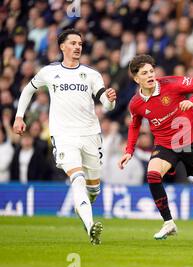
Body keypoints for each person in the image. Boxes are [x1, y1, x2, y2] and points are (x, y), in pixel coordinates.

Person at [13, 28, 117, 245]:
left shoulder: (91, 74)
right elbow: (28, 90)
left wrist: (110, 99)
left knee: (93, 189)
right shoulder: (49, 72)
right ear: (62, 47)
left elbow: (105, 104)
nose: (78, 47)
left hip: (90, 134)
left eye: (80, 43)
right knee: (76, 178)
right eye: (73, 43)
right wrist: (19, 116)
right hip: (63, 135)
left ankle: (86, 207)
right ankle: (90, 227)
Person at [118, 54, 193, 240]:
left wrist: (192, 101)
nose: (150, 75)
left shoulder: (173, 83)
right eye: (144, 73)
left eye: (152, 71)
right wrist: (129, 151)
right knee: (152, 174)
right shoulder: (135, 103)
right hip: (164, 145)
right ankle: (168, 222)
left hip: (189, 144)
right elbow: (135, 125)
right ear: (136, 78)